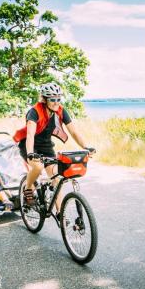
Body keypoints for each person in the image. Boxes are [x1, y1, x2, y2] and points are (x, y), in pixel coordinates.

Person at [13, 82, 95, 214]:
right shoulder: (34, 112)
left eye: (58, 99)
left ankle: (60, 213)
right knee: (38, 167)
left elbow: (74, 132)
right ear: (44, 100)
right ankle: (28, 188)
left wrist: (86, 147)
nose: (56, 102)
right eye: (52, 99)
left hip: (46, 146)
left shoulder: (61, 111)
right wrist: (30, 154)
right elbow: (30, 135)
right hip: (28, 144)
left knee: (56, 177)